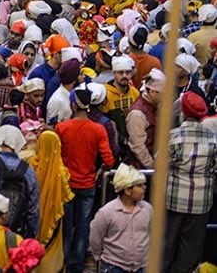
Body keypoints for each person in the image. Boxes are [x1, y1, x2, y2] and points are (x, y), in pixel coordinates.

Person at [56, 84, 115, 273]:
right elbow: (109, 159)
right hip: (88, 184)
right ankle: (78, 265)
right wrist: (99, 172)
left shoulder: (62, 128)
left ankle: (65, 262)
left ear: (73, 105)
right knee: (83, 227)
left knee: (66, 227)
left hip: (67, 185)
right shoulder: (98, 129)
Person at [164, 91, 217, 272]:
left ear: (183, 112)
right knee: (190, 252)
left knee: (166, 246)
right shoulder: (213, 140)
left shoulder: (172, 137)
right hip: (201, 203)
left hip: (173, 199)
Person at [90, 163, 152, 273]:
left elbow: (152, 233)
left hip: (140, 267)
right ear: (127, 190)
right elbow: (96, 237)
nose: (144, 188)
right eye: (140, 185)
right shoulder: (107, 212)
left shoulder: (147, 210)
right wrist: (98, 257)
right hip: (113, 266)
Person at [28, 130, 73, 273]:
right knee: (52, 247)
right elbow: (66, 196)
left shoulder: (31, 166)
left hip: (33, 215)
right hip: (54, 216)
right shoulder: (61, 172)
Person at [126, 68, 166, 170]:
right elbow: (138, 146)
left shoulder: (156, 105)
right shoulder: (137, 114)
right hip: (141, 169)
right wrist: (152, 167)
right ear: (152, 92)